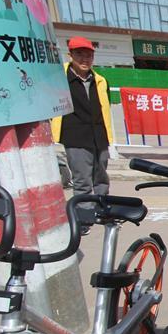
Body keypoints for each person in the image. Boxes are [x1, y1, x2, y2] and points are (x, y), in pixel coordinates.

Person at [50, 36, 113, 236]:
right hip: (76, 136)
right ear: (70, 55)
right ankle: (84, 218)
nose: (85, 59)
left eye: (89, 55)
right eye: (80, 54)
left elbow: (105, 108)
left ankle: (102, 210)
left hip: (99, 135)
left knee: (101, 177)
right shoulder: (60, 78)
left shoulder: (100, 80)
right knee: (82, 180)